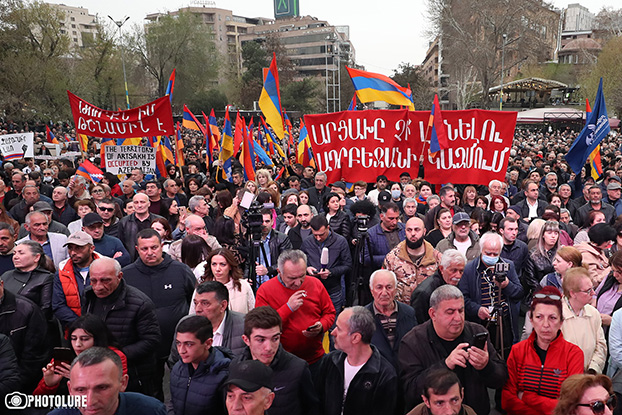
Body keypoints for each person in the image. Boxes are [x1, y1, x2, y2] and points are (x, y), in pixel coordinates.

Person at [399, 285, 507, 415]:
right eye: (450, 312)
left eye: (461, 311)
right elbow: (410, 392)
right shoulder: (412, 342)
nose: (458, 318)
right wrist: (445, 365)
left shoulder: (478, 331)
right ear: (433, 314)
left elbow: (501, 379)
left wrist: (486, 366)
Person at [122, 229, 195, 400]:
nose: (149, 253)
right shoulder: (126, 275)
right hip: (143, 349)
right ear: (137, 249)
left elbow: (194, 302)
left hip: (179, 347)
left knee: (180, 392)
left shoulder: (181, 271)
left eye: (154, 247)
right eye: (144, 249)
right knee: (150, 395)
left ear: (162, 246)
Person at [82, 257, 161, 396]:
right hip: (97, 369)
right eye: (93, 280)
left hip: (133, 375)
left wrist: (116, 355)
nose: (98, 287)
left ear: (119, 277)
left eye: (105, 280)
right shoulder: (89, 297)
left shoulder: (140, 304)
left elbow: (151, 340)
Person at [502, 286, 584, 415]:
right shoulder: (518, 350)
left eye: (552, 318)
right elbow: (507, 399)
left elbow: (570, 404)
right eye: (539, 317)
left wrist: (526, 397)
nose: (545, 325)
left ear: (561, 322)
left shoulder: (573, 354)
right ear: (531, 320)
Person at [232, 306, 320, 415]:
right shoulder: (235, 367)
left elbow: (312, 409)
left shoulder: (298, 368)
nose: (269, 347)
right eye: (261, 340)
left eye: (275, 338)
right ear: (246, 340)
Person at [255, 250, 335, 366]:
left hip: (315, 359)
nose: (298, 283)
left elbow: (330, 313)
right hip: (281, 363)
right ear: (279, 272)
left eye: (302, 276)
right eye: (292, 278)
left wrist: (322, 326)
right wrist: (288, 308)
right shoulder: (265, 291)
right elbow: (263, 325)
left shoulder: (315, 284)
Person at [315, 306, 398, 415]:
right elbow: (316, 402)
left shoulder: (385, 376)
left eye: (339, 329)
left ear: (355, 338)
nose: (333, 333)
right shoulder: (329, 361)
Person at [48, 347, 166, 415]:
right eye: (80, 390)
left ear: (123, 383)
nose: (89, 401)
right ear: (70, 389)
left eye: (102, 388)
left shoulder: (151, 411)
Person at [34, 314, 128, 395]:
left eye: (85, 339)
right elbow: (36, 400)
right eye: (73, 339)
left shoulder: (114, 357)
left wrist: (79, 377)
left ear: (97, 339)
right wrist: (49, 385)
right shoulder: (63, 357)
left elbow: (116, 394)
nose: (78, 344)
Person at [459, 232, 524, 349]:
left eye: (496, 254)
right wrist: (477, 309)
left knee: (505, 353)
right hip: (480, 322)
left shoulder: (508, 266)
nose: (492, 257)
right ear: (481, 250)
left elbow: (519, 293)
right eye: (488, 253)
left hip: (504, 321)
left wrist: (507, 285)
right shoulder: (469, 269)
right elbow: (463, 298)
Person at [169, 281, 245, 368]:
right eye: (196, 303)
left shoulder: (243, 326)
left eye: (205, 303)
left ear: (223, 306)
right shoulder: (185, 324)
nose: (198, 309)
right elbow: (175, 362)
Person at [170, 315, 231, 415]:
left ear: (208, 343)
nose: (181, 350)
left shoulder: (223, 375)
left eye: (189, 344)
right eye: (178, 343)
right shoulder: (178, 368)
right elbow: (173, 403)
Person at [365, 269, 417, 369]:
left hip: (404, 373)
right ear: (372, 291)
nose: (384, 292)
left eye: (389, 287)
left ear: (396, 290)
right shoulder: (363, 317)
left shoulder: (409, 313)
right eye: (379, 287)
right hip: (376, 376)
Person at [302, 215, 352, 316]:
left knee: (333, 321)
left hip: (333, 289)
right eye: (315, 235)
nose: (318, 238)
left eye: (321, 234)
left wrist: (331, 272)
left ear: (328, 228)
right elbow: (301, 260)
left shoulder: (340, 241)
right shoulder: (308, 242)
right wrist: (307, 267)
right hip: (312, 289)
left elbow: (347, 265)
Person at [561, 267, 607, 373]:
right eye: (588, 291)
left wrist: (593, 369)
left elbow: (600, 345)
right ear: (572, 293)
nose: (593, 294)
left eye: (592, 289)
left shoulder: (593, 313)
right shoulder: (556, 316)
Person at [52, 231, 101, 329]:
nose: (73, 253)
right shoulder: (62, 272)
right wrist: (79, 325)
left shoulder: (105, 269)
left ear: (91, 248)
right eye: (70, 248)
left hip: (102, 328)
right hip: (73, 330)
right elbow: (58, 305)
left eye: (79, 248)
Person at [383, 217, 437, 303]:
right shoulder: (392, 258)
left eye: (417, 230)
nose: (413, 233)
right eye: (409, 230)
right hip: (401, 310)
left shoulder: (437, 258)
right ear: (405, 232)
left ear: (424, 231)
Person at [1, 240, 53, 319]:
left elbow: (45, 309)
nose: (15, 257)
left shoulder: (46, 278)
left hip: (33, 323)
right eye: (14, 253)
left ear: (36, 257)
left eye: (21, 253)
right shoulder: (6, 275)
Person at [411, 249, 466, 324]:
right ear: (441, 269)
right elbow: (419, 324)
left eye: (461, 271)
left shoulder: (455, 284)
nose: (458, 276)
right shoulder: (424, 293)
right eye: (453, 270)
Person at [199, 248, 255, 314]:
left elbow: (253, 315)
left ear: (230, 266)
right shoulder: (201, 289)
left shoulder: (244, 286)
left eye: (222, 264)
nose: (217, 269)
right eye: (214, 264)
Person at [523, 220, 560, 311]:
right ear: (543, 235)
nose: (553, 236)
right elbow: (531, 281)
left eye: (556, 233)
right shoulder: (533, 255)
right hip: (538, 295)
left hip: (561, 295)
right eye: (549, 232)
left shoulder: (562, 252)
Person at [407, 368, 477, 415]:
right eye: (439, 403)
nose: (449, 412)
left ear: (462, 394)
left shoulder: (469, 413)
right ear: (426, 401)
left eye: (454, 400)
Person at [117, 193, 164, 260]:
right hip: (132, 261)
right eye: (136, 202)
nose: (139, 205)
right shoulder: (124, 222)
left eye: (142, 202)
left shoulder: (159, 221)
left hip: (154, 259)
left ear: (149, 204)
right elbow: (121, 243)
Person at [365, 202, 406, 269]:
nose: (394, 222)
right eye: (391, 218)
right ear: (381, 217)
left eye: (397, 218)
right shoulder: (371, 234)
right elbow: (365, 258)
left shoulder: (405, 229)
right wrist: (391, 258)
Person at [577, 223, 616, 288]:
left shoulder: (599, 250)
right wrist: (611, 268)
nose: (609, 243)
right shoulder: (586, 255)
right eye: (607, 241)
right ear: (600, 240)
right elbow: (593, 282)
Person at [596, 251, 622, 329]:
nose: (615, 275)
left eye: (619, 272)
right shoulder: (610, 278)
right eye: (613, 270)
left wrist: (612, 321)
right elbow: (595, 294)